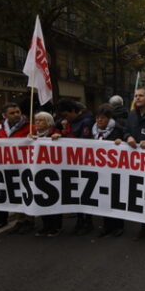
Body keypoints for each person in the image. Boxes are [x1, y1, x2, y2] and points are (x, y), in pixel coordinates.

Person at [118, 85, 145, 240]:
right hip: (137, 163)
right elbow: (126, 131)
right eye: (136, 96)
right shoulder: (131, 115)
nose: (137, 98)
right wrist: (128, 137)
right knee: (140, 191)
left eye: (141, 96)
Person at [56, 99, 95, 234]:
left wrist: (66, 136)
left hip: (84, 162)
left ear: (73, 111)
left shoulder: (86, 121)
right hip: (72, 162)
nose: (65, 118)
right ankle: (80, 219)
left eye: (66, 115)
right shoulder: (69, 122)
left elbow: (84, 141)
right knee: (75, 191)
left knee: (85, 192)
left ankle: (88, 221)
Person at [0, 103, 32, 233]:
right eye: (12, 113)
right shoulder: (1, 129)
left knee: (26, 192)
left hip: (25, 166)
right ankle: (19, 220)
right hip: (9, 166)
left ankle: (29, 219)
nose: (16, 114)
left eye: (18, 111)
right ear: (4, 116)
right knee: (14, 193)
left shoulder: (30, 127)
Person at [92, 104, 126, 237]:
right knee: (104, 199)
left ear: (109, 119)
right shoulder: (93, 131)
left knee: (116, 198)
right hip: (100, 171)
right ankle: (107, 226)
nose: (99, 120)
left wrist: (121, 141)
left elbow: (127, 141)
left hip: (115, 171)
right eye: (97, 118)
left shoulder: (118, 130)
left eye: (102, 118)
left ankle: (118, 226)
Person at [31, 111, 63, 237]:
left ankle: (56, 226)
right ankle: (46, 225)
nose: (37, 123)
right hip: (38, 172)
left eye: (41, 120)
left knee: (54, 199)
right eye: (36, 120)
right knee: (42, 199)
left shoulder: (55, 133)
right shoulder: (32, 135)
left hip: (53, 173)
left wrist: (58, 137)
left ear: (49, 122)